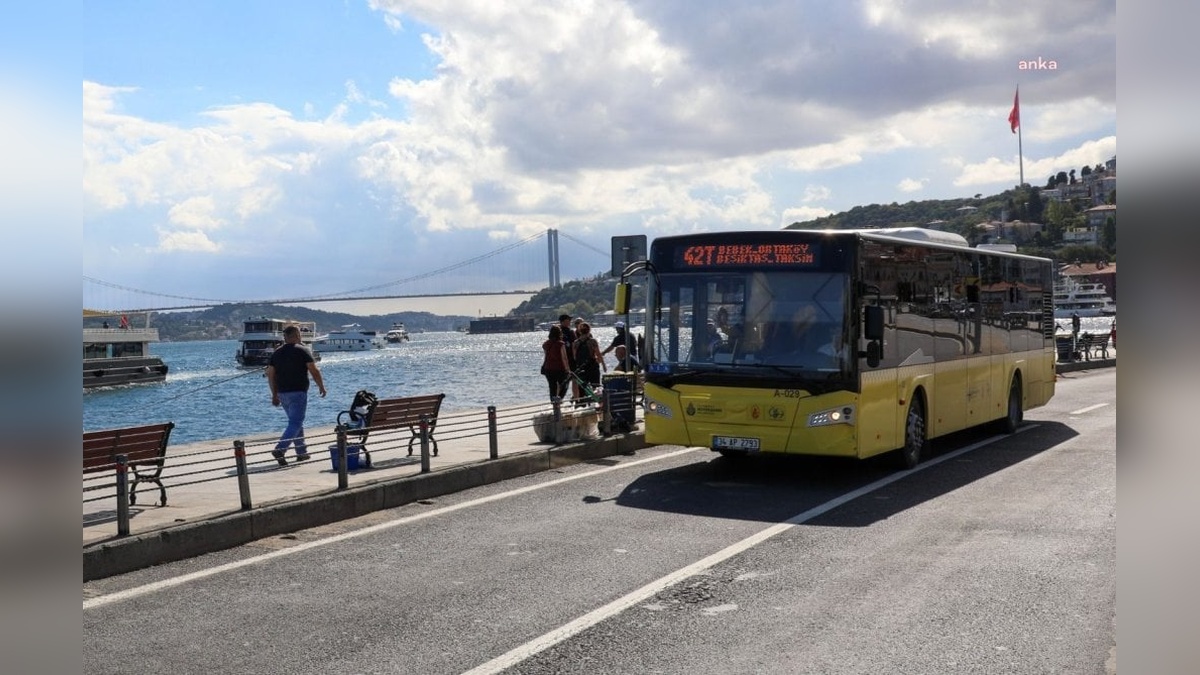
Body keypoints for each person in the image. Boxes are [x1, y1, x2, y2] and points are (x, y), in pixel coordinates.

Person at [266, 324, 327, 465]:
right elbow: (314, 370)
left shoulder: (277, 353)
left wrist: (274, 395)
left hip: (282, 393)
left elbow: (270, 375)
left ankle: (302, 452)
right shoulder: (302, 350)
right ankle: (280, 449)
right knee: (296, 422)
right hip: (298, 392)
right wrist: (321, 387)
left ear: (285, 337)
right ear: (297, 335)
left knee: (295, 422)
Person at [572, 321, 606, 406]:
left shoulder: (575, 343)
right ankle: (597, 403)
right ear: (589, 330)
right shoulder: (592, 341)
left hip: (581, 367)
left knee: (582, 387)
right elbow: (598, 354)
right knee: (596, 386)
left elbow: (575, 357)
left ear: (579, 331)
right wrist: (603, 365)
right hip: (592, 366)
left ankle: (581, 404)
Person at [540, 324, 571, 402]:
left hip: (548, 368)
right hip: (560, 368)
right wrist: (568, 369)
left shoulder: (546, 344)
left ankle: (553, 402)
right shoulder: (561, 344)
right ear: (559, 333)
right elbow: (564, 358)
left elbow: (546, 356)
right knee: (564, 385)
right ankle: (559, 399)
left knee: (552, 386)